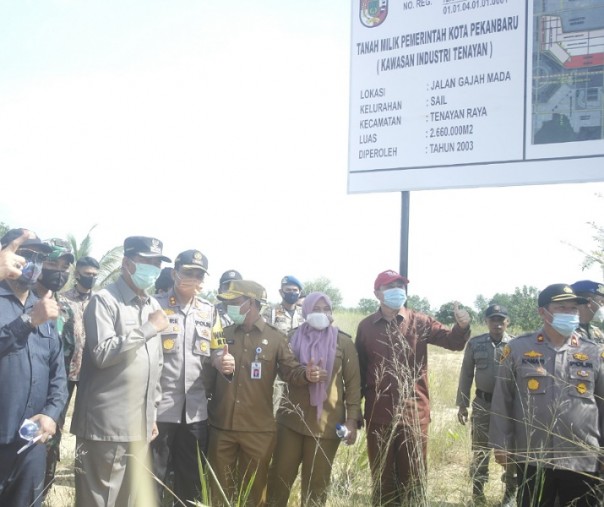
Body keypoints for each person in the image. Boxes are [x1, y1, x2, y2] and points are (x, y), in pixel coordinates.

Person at [355, 269, 471, 505]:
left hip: (413, 414)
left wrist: (461, 327)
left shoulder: (420, 321)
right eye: (390, 287)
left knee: (414, 478)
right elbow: (360, 371)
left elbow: (454, 342)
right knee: (382, 480)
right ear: (377, 293)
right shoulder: (366, 327)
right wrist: (354, 409)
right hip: (378, 415)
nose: (398, 291)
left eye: (401, 286)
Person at [71, 236, 171, 507]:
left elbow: (156, 364)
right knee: (98, 500)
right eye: (146, 262)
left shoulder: (152, 305)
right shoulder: (104, 301)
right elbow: (102, 353)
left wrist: (151, 414)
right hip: (106, 427)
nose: (153, 269)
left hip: (139, 425)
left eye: (157, 263)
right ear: (127, 263)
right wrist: (147, 329)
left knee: (127, 500)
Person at [207, 279, 324, 507]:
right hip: (222, 428)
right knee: (218, 494)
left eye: (234, 302)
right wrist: (215, 361)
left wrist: (306, 374)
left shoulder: (277, 338)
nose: (228, 306)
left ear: (250, 303)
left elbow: (291, 372)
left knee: (254, 494)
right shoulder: (223, 333)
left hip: (258, 430)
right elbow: (209, 372)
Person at [489, 283, 604, 507]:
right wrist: (501, 444)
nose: (570, 314)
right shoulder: (517, 349)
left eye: (573, 309)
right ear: (543, 312)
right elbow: (503, 399)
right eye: (562, 308)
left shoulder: (593, 351)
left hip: (582, 457)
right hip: (533, 457)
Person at [267, 292, 361, 507]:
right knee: (278, 479)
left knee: (316, 486)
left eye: (325, 309)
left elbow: (354, 386)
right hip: (290, 421)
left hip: (326, 426)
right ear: (306, 311)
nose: (321, 314)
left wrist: (352, 421)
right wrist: (304, 374)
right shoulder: (290, 338)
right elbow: (282, 372)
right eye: (316, 309)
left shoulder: (344, 342)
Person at [0, 229, 68, 507]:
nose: (33, 263)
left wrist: (51, 415)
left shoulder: (45, 309)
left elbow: (58, 375)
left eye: (39, 257)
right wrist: (28, 321)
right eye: (26, 254)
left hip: (31, 443)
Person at [151, 249, 214, 505]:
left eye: (199, 274)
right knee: (153, 478)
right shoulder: (155, 306)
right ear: (175, 273)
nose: (194, 278)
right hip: (160, 410)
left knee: (191, 481)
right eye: (189, 272)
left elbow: (219, 349)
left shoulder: (210, 313)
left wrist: (224, 360)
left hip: (195, 413)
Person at [456, 304, 516, 507]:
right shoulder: (475, 344)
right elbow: (466, 374)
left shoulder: (516, 345)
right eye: (493, 320)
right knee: (480, 450)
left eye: (501, 320)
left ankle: (509, 495)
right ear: (486, 322)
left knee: (510, 451)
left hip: (509, 408)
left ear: (507, 322)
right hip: (483, 404)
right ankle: (478, 492)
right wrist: (462, 404)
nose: (497, 324)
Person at [32, 238, 76, 496]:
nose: (59, 271)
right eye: (52, 263)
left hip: (54, 399)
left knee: (49, 452)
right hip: (17, 397)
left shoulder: (66, 309)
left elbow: (65, 359)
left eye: (64, 266)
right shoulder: (18, 300)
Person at [262, 275, 305, 413]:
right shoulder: (271, 311)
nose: (292, 293)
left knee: (296, 407)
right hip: (277, 367)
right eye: (288, 290)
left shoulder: (304, 313)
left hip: (299, 365)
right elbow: (264, 335)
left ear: (299, 292)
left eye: (295, 290)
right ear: (281, 292)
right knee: (274, 403)